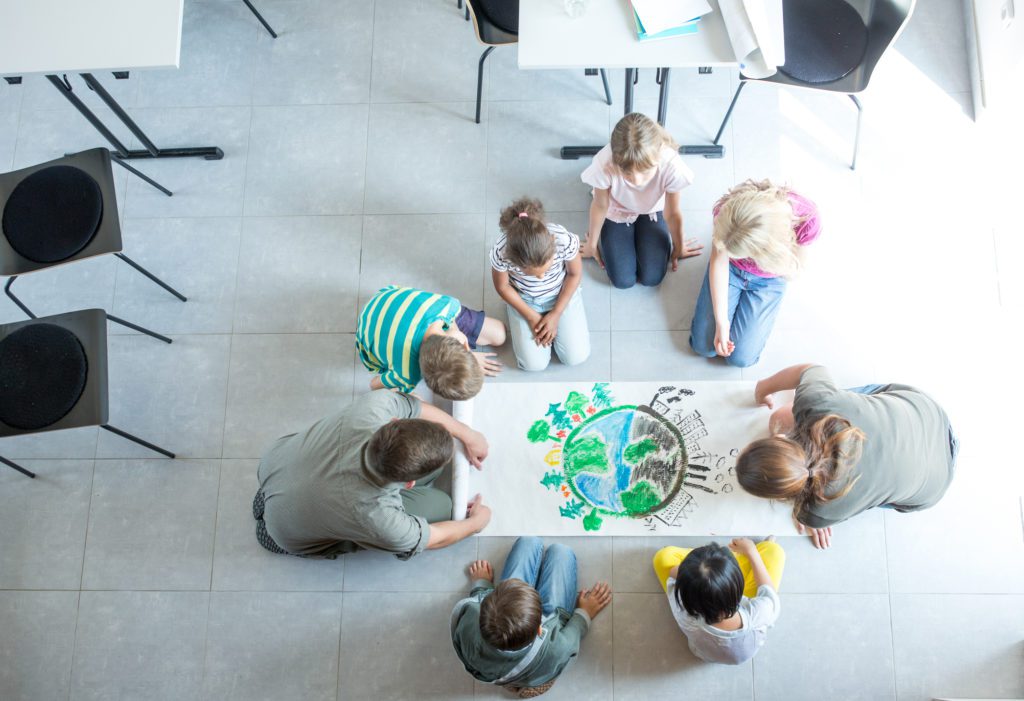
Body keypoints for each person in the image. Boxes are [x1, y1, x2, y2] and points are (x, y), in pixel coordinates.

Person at [737, 364, 959, 549]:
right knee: (780, 418)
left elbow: (815, 505)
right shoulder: (819, 404)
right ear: (784, 441)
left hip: (934, 483)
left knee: (779, 418)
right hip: (929, 416)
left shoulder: (815, 514)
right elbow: (810, 369)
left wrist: (818, 513)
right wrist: (764, 389)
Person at [253, 389, 492, 558]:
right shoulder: (376, 518)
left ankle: (275, 498)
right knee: (442, 506)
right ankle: (274, 523)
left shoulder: (374, 407)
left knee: (437, 466)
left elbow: (416, 407)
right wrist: (475, 524)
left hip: (275, 465)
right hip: (285, 534)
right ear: (409, 483)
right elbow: (435, 538)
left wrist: (468, 434)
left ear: (394, 421)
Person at [451, 537, 612, 694]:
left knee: (529, 541)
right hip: (543, 640)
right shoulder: (556, 649)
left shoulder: (471, 618)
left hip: (500, 648)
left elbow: (481, 598)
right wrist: (585, 612)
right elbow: (574, 631)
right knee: (561, 552)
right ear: (540, 630)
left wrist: (482, 584)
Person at [689, 179, 821, 368]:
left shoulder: (807, 218)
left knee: (741, 359)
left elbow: (795, 269)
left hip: (771, 277)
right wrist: (721, 322)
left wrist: (774, 262)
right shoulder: (726, 211)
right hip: (730, 270)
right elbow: (719, 260)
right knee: (703, 347)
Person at [579, 112, 703, 289]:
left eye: (644, 171)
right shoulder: (604, 163)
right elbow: (600, 204)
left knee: (652, 278)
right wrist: (592, 244)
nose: (637, 181)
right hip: (617, 209)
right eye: (627, 173)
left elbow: (673, 212)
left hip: (653, 209)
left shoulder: (671, 164)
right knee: (623, 281)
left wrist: (679, 245)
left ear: (658, 157)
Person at [491, 197, 590, 372]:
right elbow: (503, 287)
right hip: (525, 300)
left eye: (546, 269)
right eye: (533, 274)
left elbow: (574, 274)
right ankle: (516, 313)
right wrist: (531, 316)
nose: (541, 277)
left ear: (552, 243)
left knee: (576, 357)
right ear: (515, 262)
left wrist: (557, 313)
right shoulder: (502, 252)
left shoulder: (562, 239)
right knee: (533, 365)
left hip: (561, 294)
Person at [357, 285, 506, 400]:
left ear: (466, 345)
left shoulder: (448, 306)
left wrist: (467, 357)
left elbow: (452, 322)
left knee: (499, 335)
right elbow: (374, 384)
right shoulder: (406, 374)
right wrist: (401, 394)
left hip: (388, 300)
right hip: (369, 327)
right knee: (496, 335)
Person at [653, 537, 784, 665]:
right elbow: (769, 592)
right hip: (734, 600)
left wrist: (691, 574)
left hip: (703, 653)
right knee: (774, 550)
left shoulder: (681, 607)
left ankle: (706, 570)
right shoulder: (758, 613)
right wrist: (751, 551)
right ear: (740, 583)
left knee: (663, 557)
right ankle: (726, 565)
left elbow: (672, 572)